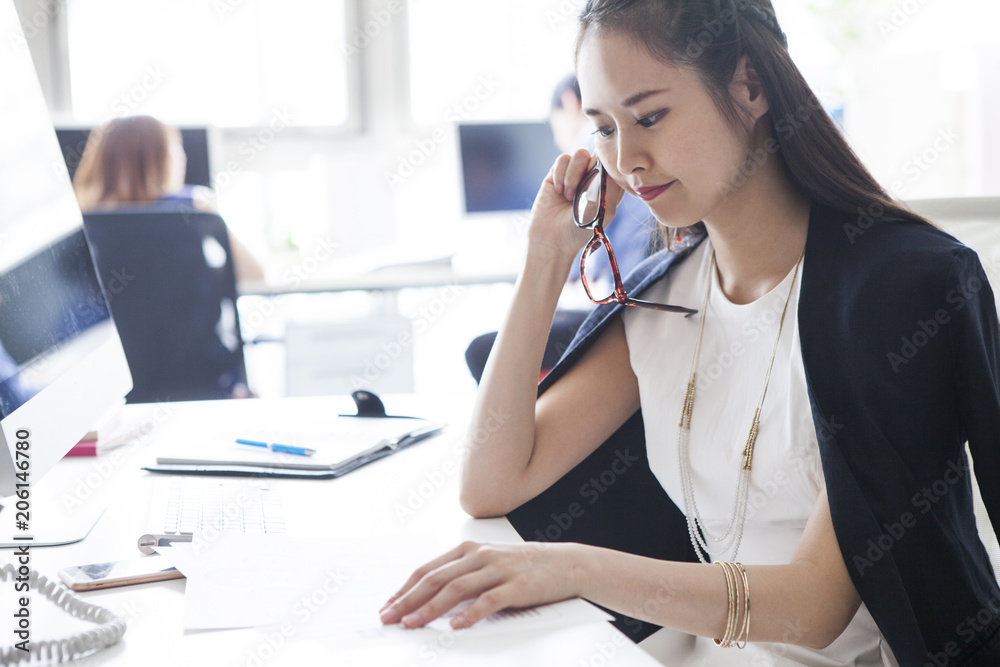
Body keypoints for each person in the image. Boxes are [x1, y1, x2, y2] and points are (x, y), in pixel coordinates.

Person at [381, 1, 1000, 666]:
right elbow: (491, 482)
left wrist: (574, 568)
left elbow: (814, 607)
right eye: (604, 128)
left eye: (650, 117)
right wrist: (543, 257)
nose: (628, 159)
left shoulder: (896, 291)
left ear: (751, 86)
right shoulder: (663, 297)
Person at [72, 115, 264, 283]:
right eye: (175, 148)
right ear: (157, 161)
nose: (183, 158)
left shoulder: (81, 220)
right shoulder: (193, 207)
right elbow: (255, 276)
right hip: (191, 325)